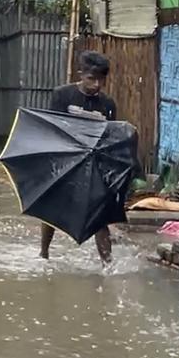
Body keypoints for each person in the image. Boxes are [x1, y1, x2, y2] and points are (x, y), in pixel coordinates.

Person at [43, 50, 118, 263]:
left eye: (101, 79)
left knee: (99, 214)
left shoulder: (108, 104)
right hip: (64, 158)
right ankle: (44, 253)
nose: (96, 84)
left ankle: (107, 262)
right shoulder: (62, 95)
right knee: (51, 208)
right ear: (81, 75)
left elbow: (110, 135)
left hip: (93, 162)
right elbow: (53, 126)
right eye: (91, 79)